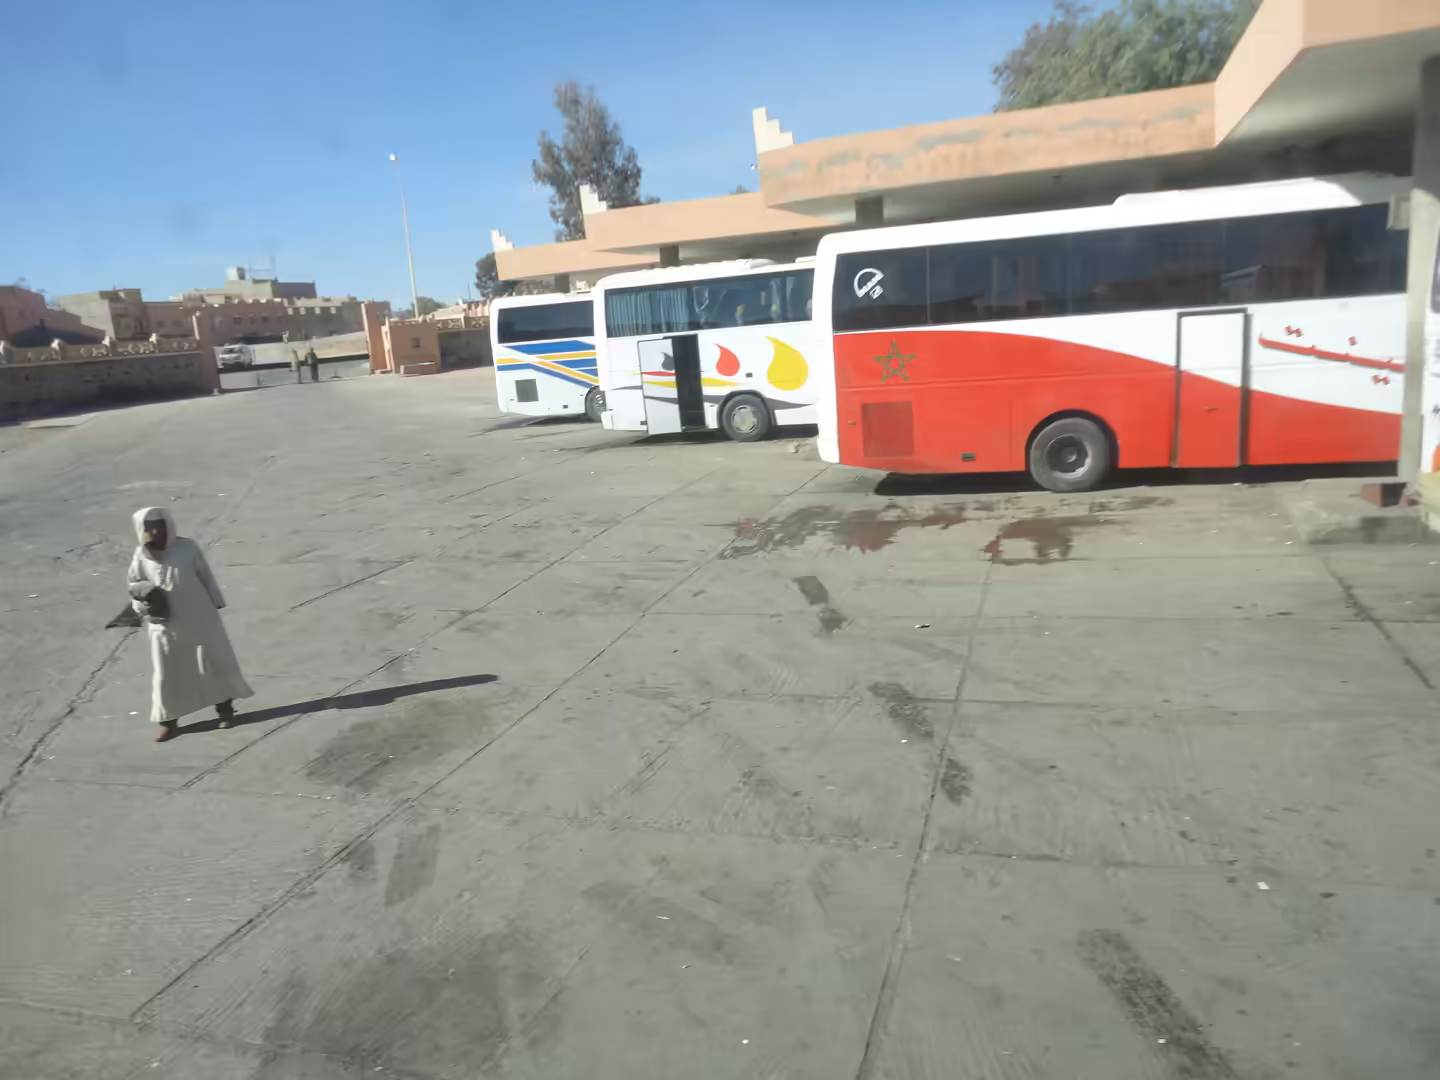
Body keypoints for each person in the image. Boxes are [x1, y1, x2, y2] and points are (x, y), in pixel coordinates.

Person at [127, 508, 253, 743]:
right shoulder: (141, 555)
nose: (156, 531)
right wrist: (144, 608)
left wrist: (216, 602)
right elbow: (134, 587)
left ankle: (225, 711)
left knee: (211, 663)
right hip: (164, 624)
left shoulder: (186, 547)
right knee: (167, 673)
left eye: (160, 525)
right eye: (150, 527)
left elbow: (204, 575)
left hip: (199, 617)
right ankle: (168, 723)